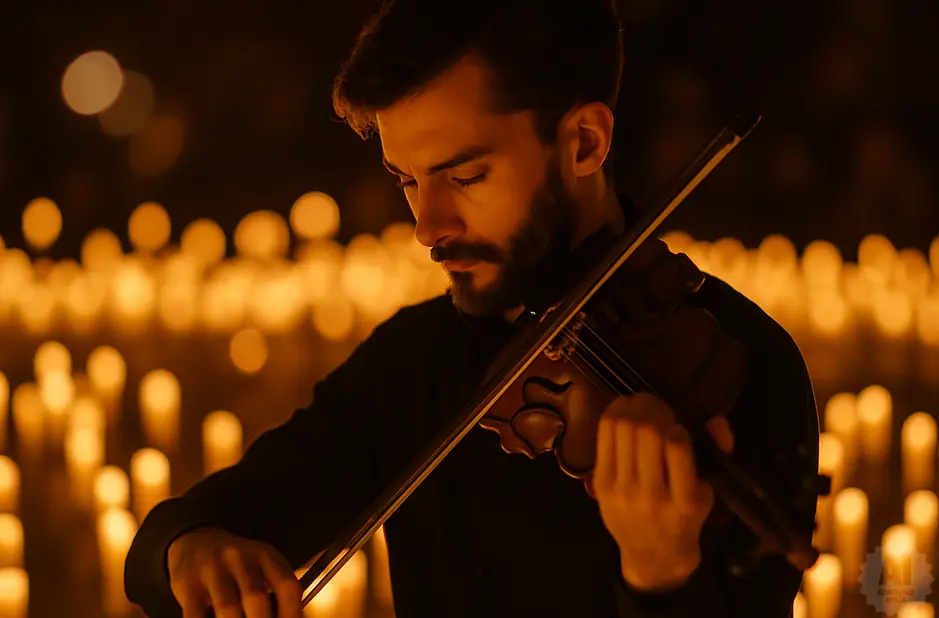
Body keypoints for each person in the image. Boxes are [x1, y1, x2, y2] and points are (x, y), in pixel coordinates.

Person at [124, 0, 820, 616]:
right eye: (407, 181)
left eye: (465, 176)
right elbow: (175, 538)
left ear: (584, 142)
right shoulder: (413, 358)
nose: (428, 225)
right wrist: (190, 549)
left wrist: (662, 576)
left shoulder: (746, 362)